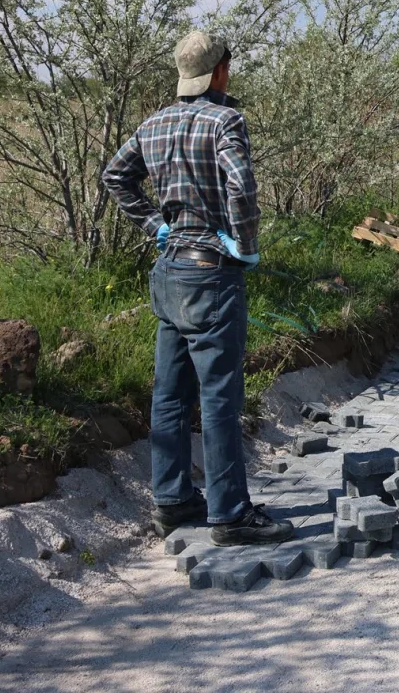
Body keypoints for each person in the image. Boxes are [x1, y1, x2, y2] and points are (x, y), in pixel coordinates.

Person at [102, 31, 294, 546]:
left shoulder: (154, 122)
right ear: (221, 71)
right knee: (219, 396)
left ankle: (171, 501)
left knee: (168, 394)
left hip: (168, 270)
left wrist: (152, 225)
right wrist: (245, 242)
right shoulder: (226, 120)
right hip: (211, 272)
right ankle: (229, 513)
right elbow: (242, 186)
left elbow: (114, 177)